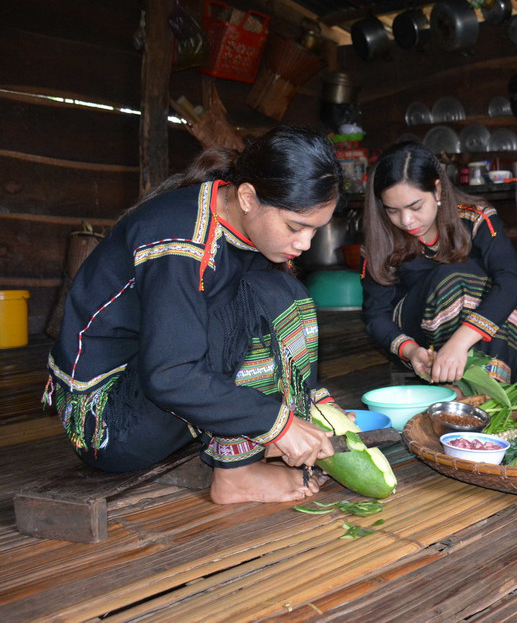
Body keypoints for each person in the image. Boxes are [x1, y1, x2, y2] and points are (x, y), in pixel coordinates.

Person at [45, 126, 344, 504]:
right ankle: (237, 474)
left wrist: (304, 408)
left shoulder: (228, 214)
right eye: (295, 227)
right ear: (249, 197)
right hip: (109, 425)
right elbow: (170, 375)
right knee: (242, 306)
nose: (305, 244)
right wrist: (277, 423)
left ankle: (258, 439)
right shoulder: (177, 240)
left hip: (151, 402)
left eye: (315, 231)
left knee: (286, 293)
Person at [361, 142, 517, 385]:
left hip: (473, 332)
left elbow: (512, 281)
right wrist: (410, 350)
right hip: (418, 337)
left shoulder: (475, 217)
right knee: (451, 280)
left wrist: (459, 342)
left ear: (438, 190)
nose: (406, 220)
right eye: (392, 211)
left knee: (504, 297)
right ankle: (477, 392)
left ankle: (486, 387)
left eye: (416, 206)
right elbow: (376, 314)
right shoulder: (381, 240)